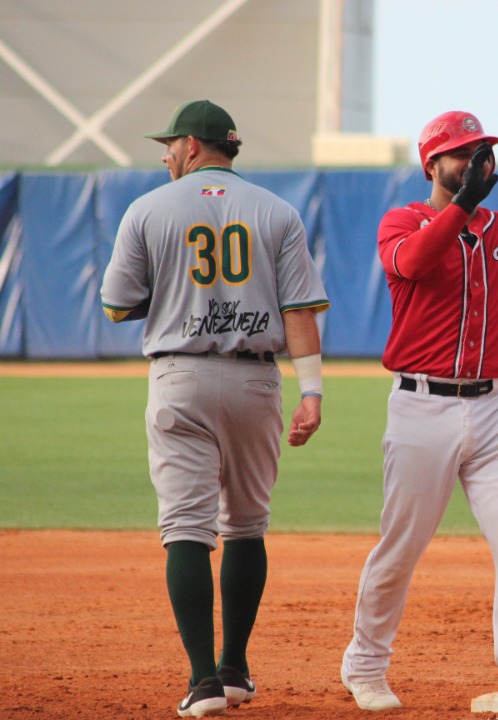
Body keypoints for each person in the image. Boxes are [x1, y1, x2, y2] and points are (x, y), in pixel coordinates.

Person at [100, 99, 329, 718]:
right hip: (257, 380)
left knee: (187, 527)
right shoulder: (277, 211)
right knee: (247, 525)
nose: (166, 154)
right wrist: (312, 392)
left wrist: (179, 288)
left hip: (180, 376)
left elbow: (117, 306)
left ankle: (203, 683)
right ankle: (235, 669)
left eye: (170, 144)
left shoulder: (147, 209)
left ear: (194, 146)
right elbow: (300, 311)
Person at [339, 110, 498, 712]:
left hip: (497, 409)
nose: (475, 161)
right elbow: (412, 263)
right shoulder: (402, 221)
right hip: (421, 408)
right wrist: (462, 205)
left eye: (482, 150)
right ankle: (364, 662)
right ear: (431, 164)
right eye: (462, 153)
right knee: (402, 543)